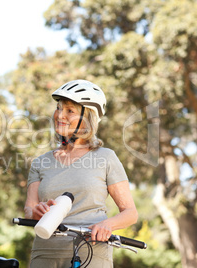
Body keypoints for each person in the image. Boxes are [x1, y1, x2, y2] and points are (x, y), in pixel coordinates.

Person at [24, 79, 138, 267]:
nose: (60, 115)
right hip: (45, 254)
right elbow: (29, 209)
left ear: (88, 119)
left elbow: (130, 213)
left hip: (91, 253)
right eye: (59, 108)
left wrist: (107, 225)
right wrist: (35, 211)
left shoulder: (106, 158)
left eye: (70, 110)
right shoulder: (40, 162)